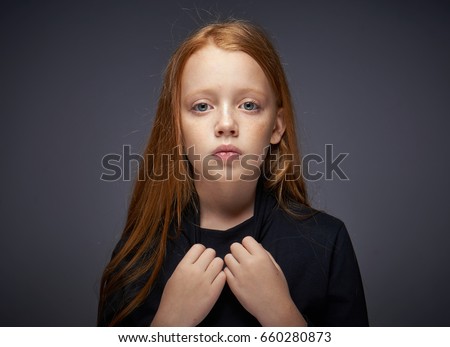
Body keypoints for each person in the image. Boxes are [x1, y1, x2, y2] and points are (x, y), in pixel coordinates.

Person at [97, 19, 369, 327]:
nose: (226, 124)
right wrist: (168, 327)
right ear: (177, 128)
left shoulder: (327, 243)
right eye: (202, 106)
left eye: (249, 105)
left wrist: (281, 316)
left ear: (276, 126)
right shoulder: (137, 256)